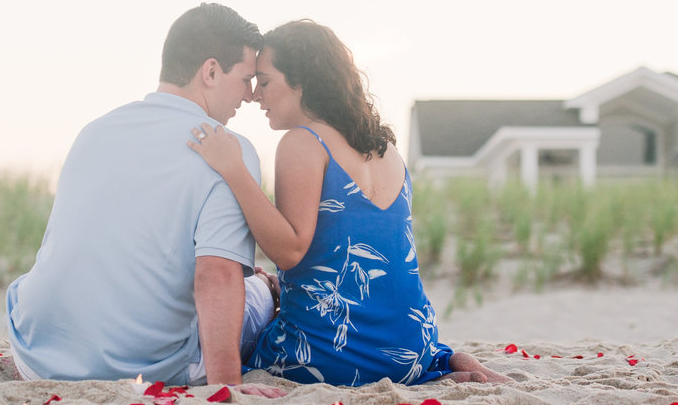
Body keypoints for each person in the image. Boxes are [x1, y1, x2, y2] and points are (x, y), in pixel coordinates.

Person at [189, 19, 509, 386]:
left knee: (230, 336)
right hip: (412, 349)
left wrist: (233, 169)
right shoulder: (387, 150)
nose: (255, 95)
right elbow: (349, 247)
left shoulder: (302, 142)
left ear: (302, 81)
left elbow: (290, 252)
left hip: (332, 357)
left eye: (265, 81)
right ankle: (447, 360)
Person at [6, 4, 284, 398]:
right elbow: (216, 275)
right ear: (210, 71)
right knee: (259, 291)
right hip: (144, 365)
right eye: (245, 78)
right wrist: (227, 389)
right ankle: (267, 289)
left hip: (36, 356)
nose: (252, 94)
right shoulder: (227, 148)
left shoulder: (96, 130)